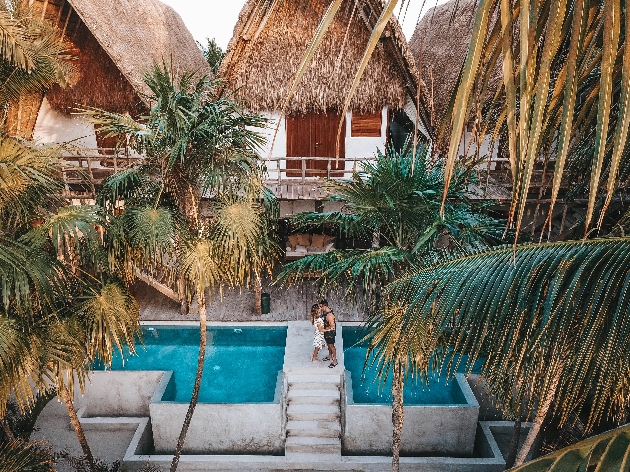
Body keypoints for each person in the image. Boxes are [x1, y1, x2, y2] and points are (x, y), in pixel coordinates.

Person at [319, 299, 337, 368]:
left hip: (330, 333)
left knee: (332, 346)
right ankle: (329, 356)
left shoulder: (330, 316)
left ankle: (335, 360)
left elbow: (333, 327)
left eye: (321, 307)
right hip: (326, 332)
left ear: (325, 306)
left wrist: (323, 329)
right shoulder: (325, 312)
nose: (320, 308)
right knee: (328, 345)